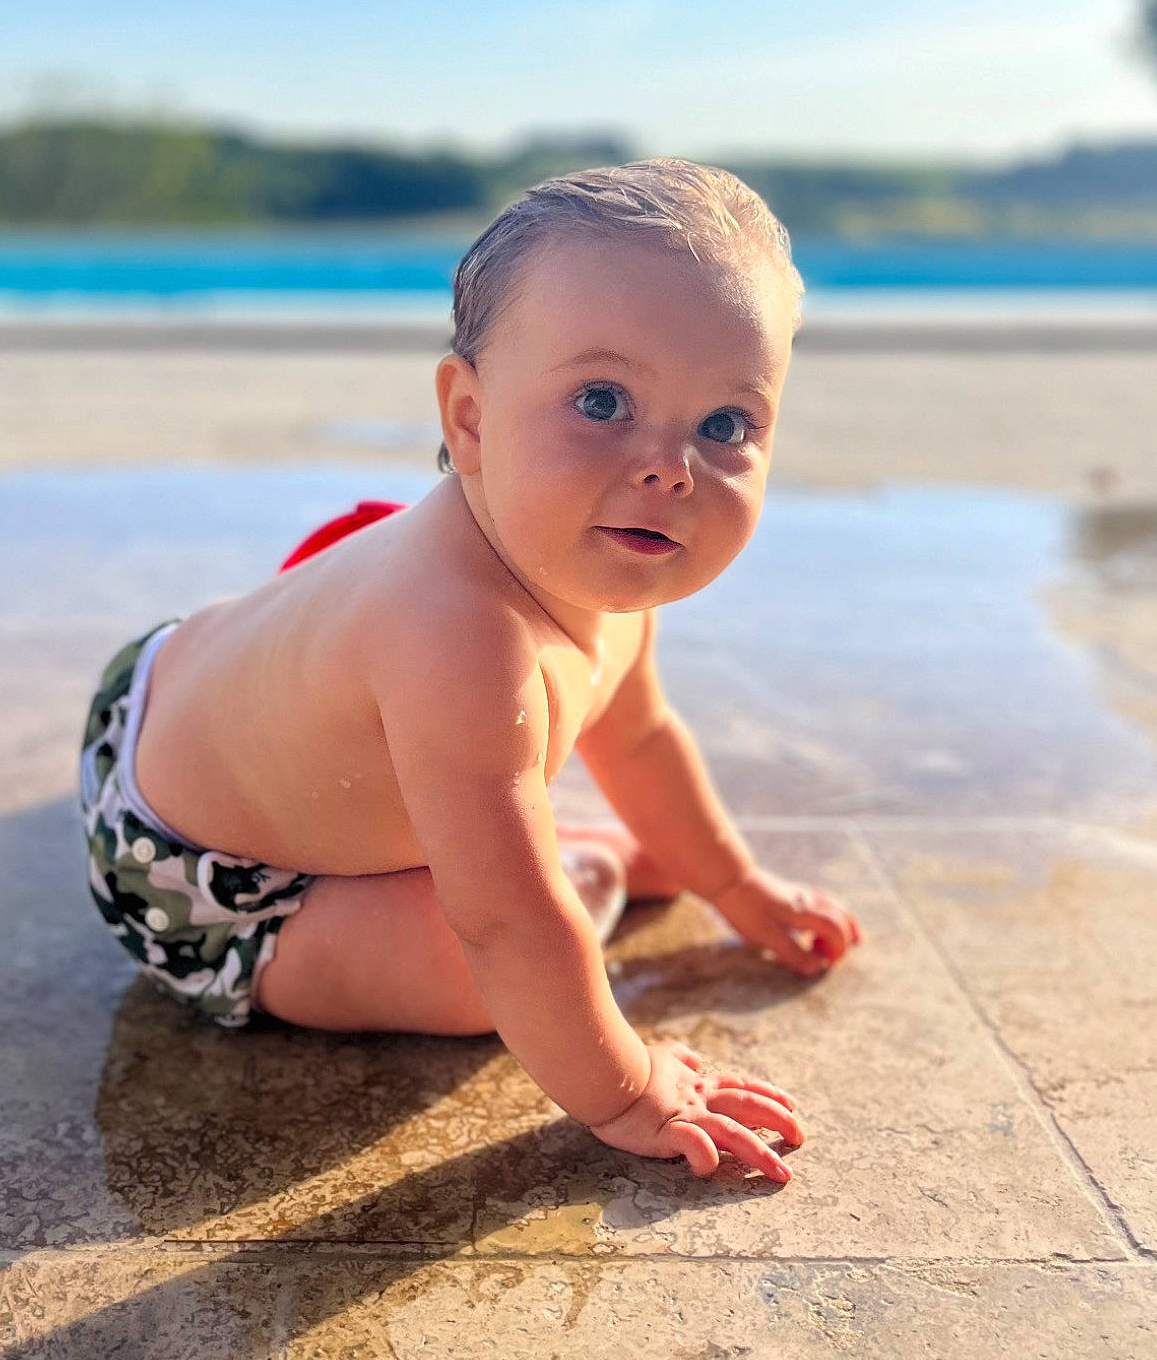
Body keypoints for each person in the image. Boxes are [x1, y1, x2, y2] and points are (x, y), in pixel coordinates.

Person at [80, 160, 861, 1181]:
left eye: (726, 424)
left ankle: (512, 830)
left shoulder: (608, 562)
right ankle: (547, 846)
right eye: (602, 398)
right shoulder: (461, 637)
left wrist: (736, 884)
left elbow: (641, 733)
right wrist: (626, 1085)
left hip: (195, 678)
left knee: (502, 833)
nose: (670, 465)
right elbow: (503, 924)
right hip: (189, 868)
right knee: (494, 961)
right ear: (470, 417)